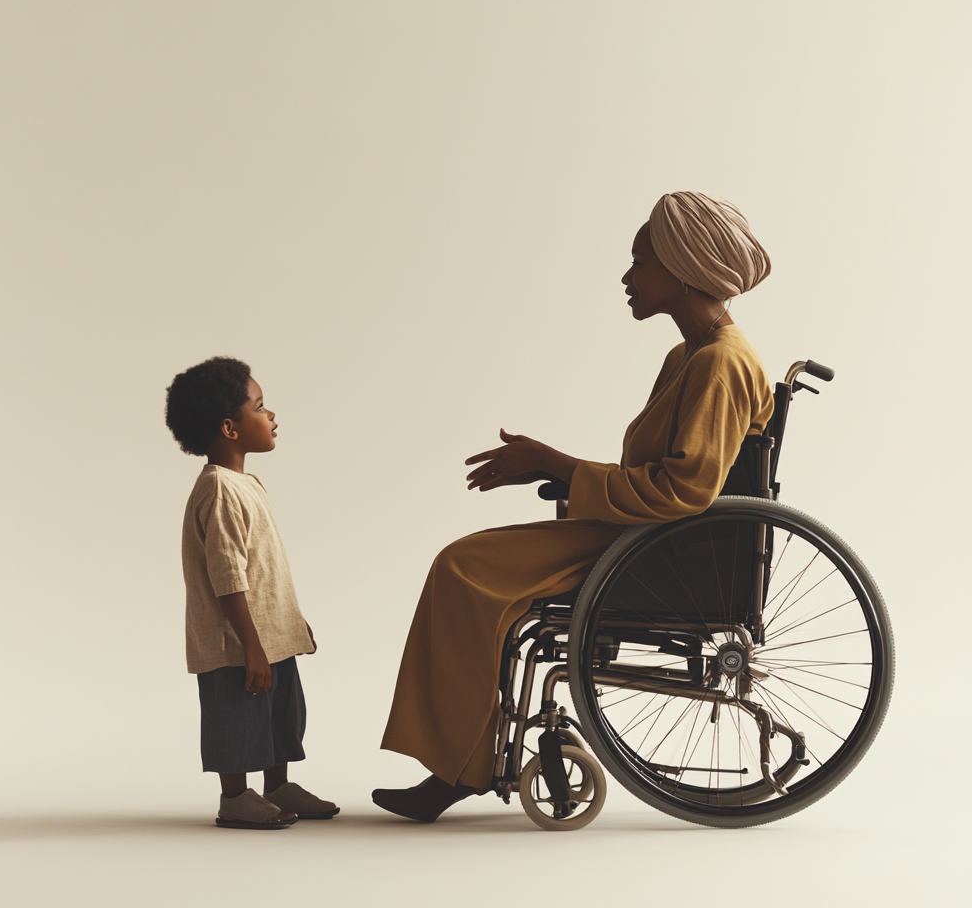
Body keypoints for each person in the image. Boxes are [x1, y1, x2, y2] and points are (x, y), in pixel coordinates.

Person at [373, 191, 775, 822]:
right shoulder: (690, 356)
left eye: (640, 261)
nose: (626, 277)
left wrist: (558, 465)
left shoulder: (721, 364)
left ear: (682, 269)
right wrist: (551, 468)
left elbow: (684, 491)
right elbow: (664, 478)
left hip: (661, 549)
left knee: (462, 568)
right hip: (643, 535)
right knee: (465, 565)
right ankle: (460, 762)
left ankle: (460, 768)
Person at [165, 357, 339, 829]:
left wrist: (289, 621)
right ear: (230, 428)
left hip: (269, 635)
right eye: (261, 407)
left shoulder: (246, 484)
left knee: (280, 713)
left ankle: (277, 786)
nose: (272, 415)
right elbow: (228, 576)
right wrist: (252, 645)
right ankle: (235, 797)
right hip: (237, 644)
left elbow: (265, 569)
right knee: (238, 716)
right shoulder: (220, 489)